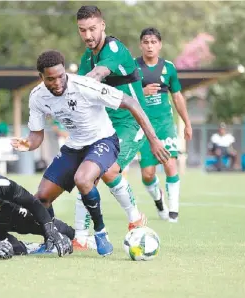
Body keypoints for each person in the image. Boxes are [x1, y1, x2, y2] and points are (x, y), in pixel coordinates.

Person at [11, 50, 170, 256]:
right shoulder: (37, 97)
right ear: (41, 77)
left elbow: (130, 101)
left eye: (61, 76)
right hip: (75, 146)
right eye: (51, 79)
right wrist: (28, 144)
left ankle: (100, 231)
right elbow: (36, 135)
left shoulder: (85, 86)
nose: (58, 82)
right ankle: (53, 241)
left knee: (83, 179)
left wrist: (154, 140)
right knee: (41, 198)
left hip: (103, 141)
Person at [73, 5, 149, 247]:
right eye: (82, 30)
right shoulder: (87, 55)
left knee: (108, 171)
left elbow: (97, 74)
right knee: (86, 175)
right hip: (104, 126)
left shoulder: (114, 49)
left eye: (92, 29)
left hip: (131, 123)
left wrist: (78, 84)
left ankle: (136, 219)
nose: (88, 35)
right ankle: (81, 238)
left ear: (102, 26)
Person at [134, 27, 193, 223]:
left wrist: (187, 123)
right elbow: (126, 96)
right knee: (148, 174)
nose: (150, 46)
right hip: (143, 127)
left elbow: (177, 96)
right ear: (140, 45)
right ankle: (159, 202)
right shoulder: (133, 68)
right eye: (146, 42)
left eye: (153, 42)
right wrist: (143, 92)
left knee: (170, 164)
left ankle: (173, 212)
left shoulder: (169, 68)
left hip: (165, 125)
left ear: (160, 45)